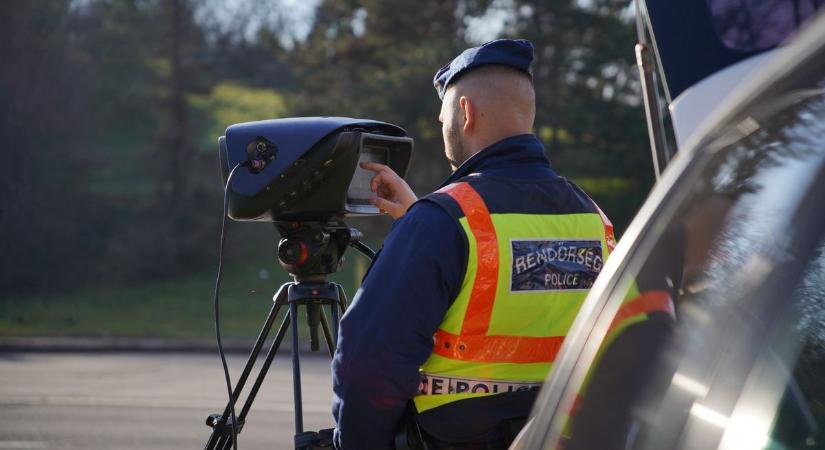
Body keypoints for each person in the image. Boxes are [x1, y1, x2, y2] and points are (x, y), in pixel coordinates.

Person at [331, 38, 617, 450]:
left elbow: (369, 364)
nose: (441, 125)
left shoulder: (445, 222)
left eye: (443, 114)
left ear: (464, 113)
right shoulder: (594, 218)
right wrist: (423, 220)